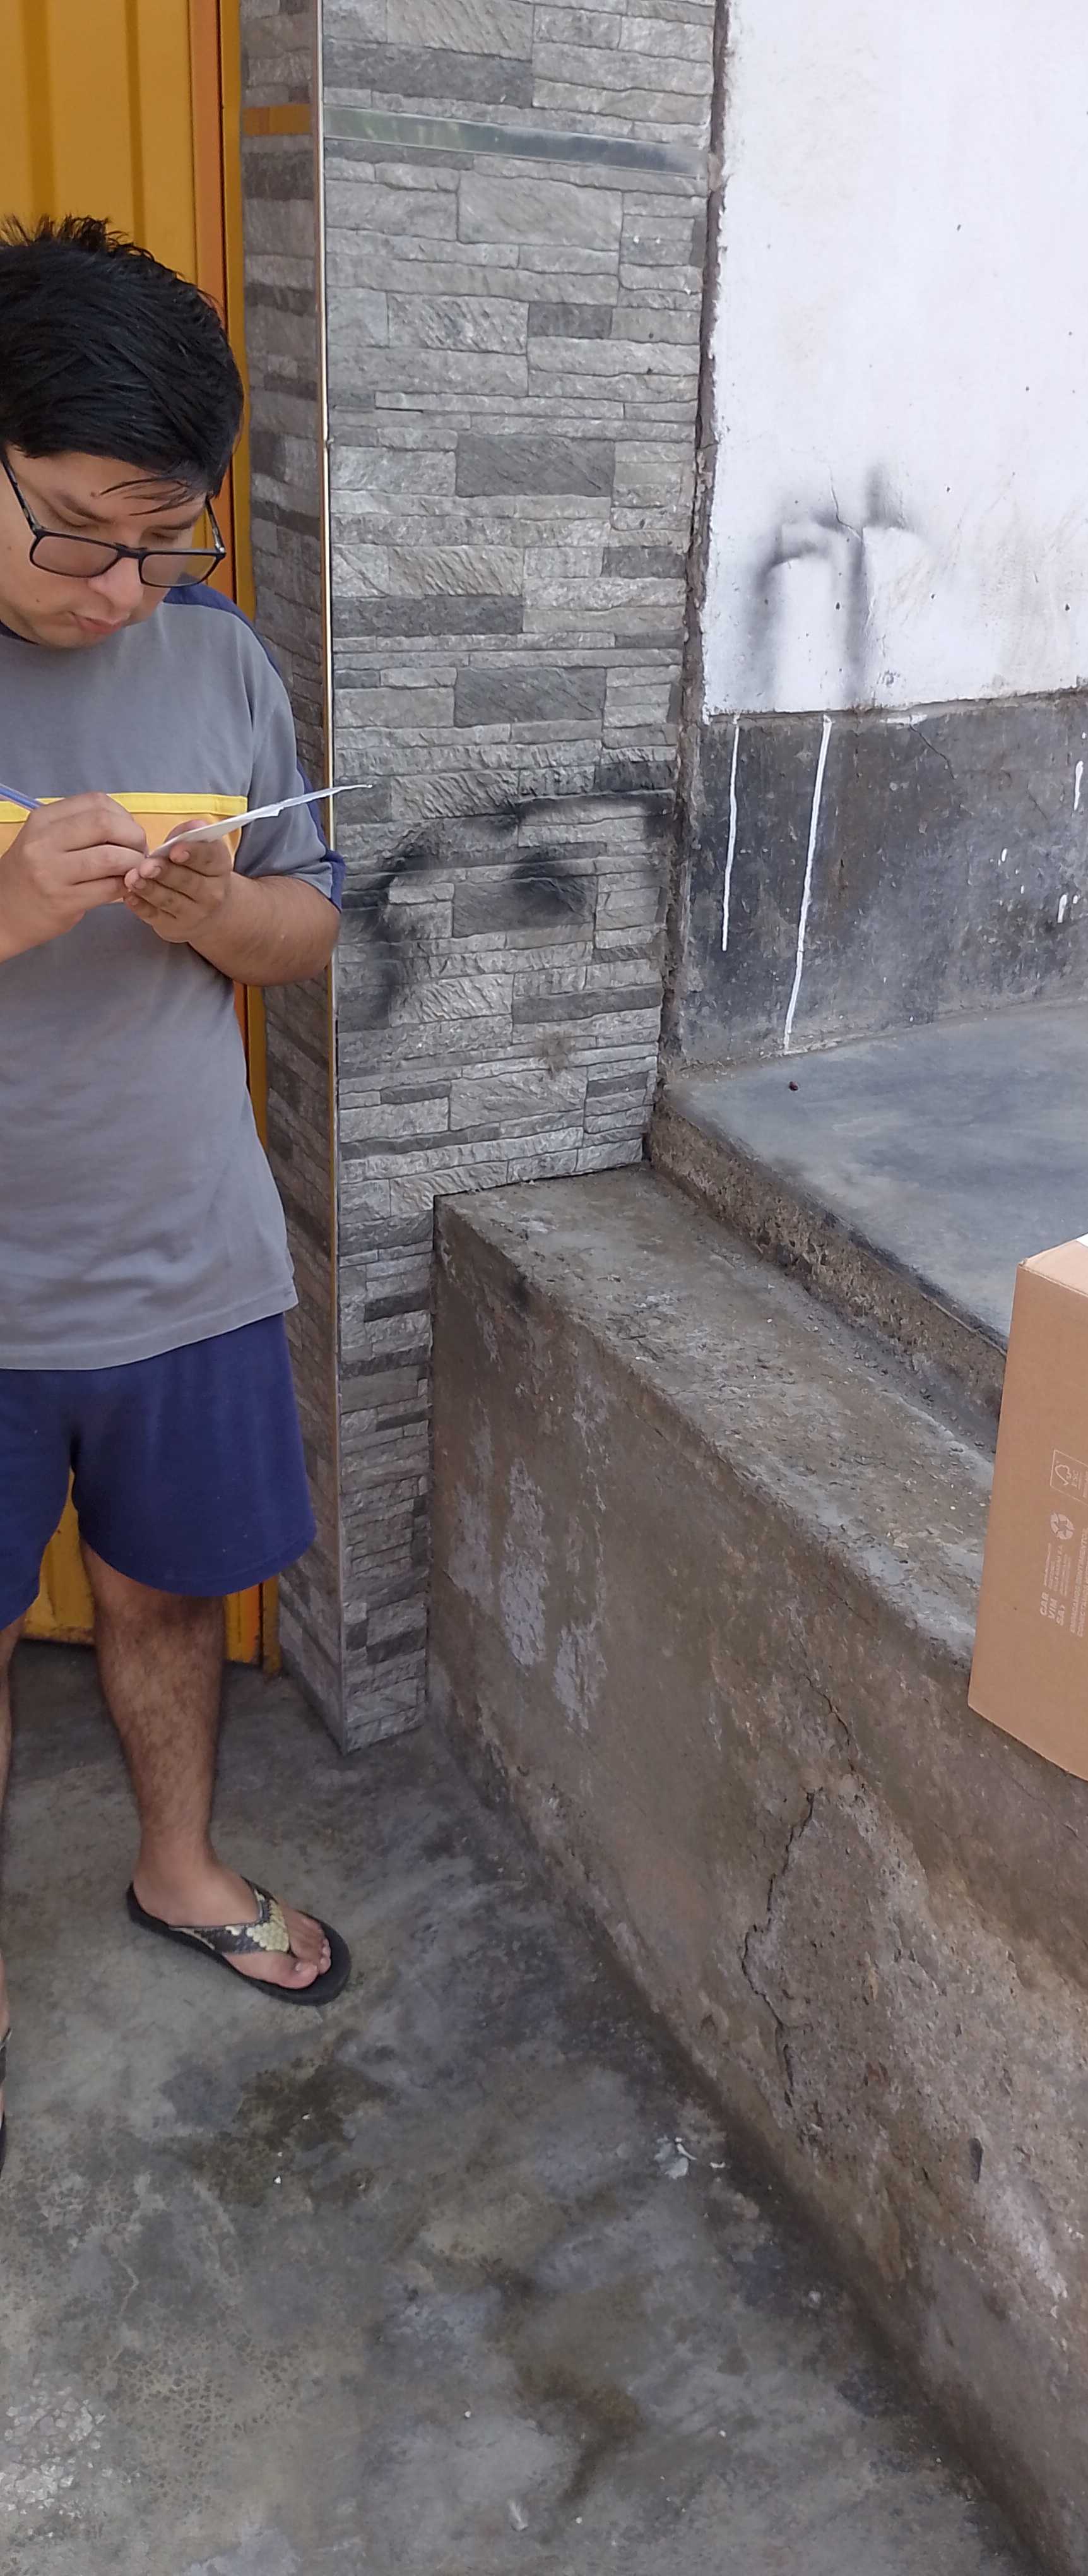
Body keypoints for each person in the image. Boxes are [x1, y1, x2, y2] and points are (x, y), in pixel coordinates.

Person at [0, 217, 352, 2174]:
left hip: (186, 1267)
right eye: (78, 538)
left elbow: (310, 933)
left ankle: (181, 1866)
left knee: (165, 1594)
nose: (125, 588)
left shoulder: (215, 657)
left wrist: (225, 916)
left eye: (164, 539)